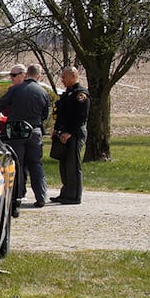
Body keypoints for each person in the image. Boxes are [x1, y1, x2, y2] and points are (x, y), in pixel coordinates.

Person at [0, 63, 52, 213]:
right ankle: (41, 196)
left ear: (26, 74)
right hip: (35, 131)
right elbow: (46, 114)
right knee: (35, 164)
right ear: (38, 76)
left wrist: (7, 116)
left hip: (16, 131)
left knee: (17, 164)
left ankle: (16, 196)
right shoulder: (43, 92)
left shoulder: (15, 90)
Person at [52, 65, 88, 204]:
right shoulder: (68, 93)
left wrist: (70, 133)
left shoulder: (81, 94)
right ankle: (65, 193)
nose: (62, 80)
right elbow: (61, 114)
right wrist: (57, 130)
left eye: (64, 77)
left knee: (73, 165)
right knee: (64, 165)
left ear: (73, 76)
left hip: (75, 134)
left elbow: (81, 117)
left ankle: (74, 196)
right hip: (64, 133)